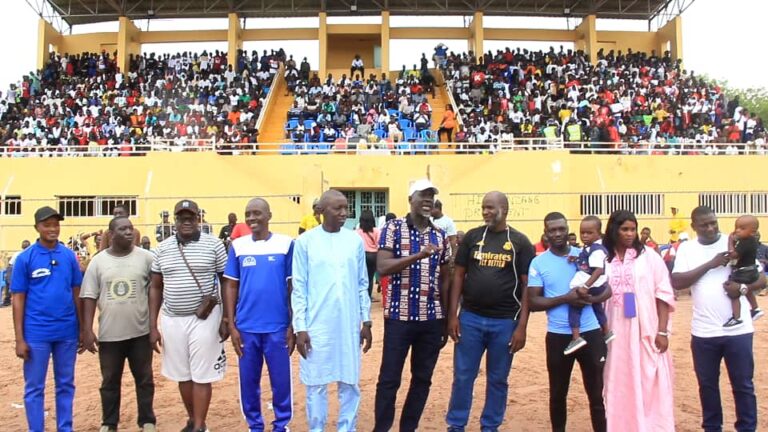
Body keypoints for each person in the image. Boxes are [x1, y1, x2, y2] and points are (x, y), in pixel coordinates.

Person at [445, 191, 535, 431]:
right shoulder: (473, 237)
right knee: (463, 377)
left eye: (490, 207)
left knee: (497, 379)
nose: (485, 212)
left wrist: (522, 327)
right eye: (483, 207)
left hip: (505, 322)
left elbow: (528, 286)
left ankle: (490, 426)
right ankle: (456, 425)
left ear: (504, 209)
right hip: (471, 319)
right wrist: (453, 315)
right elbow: (459, 277)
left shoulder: (520, 242)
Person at [671, 206, 764, 432]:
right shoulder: (687, 249)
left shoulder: (735, 241)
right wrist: (710, 264)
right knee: (707, 386)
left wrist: (742, 289)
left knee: (743, 385)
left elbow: (760, 279)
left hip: (739, 331)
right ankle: (712, 427)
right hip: (704, 333)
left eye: (714, 222)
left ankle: (747, 428)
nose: (711, 227)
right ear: (694, 227)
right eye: (705, 224)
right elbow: (677, 282)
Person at [373, 179, 451, 432]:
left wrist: (447, 319)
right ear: (410, 200)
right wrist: (418, 255)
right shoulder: (393, 228)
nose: (428, 200)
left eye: (431, 196)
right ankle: (382, 427)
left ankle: (409, 427)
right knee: (389, 379)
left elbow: (445, 280)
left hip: (431, 319)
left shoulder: (440, 236)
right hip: (399, 318)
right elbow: (383, 267)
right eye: (423, 195)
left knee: (422, 380)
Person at [291, 190, 372, 432]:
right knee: (316, 383)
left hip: (348, 325)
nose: (344, 213)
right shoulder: (305, 242)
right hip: (317, 325)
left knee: (350, 382)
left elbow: (362, 283)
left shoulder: (354, 241)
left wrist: (366, 321)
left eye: (346, 208)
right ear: (321, 211)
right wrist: (300, 327)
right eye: (337, 208)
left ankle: (347, 428)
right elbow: (299, 287)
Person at [149, 200, 228, 432]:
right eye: (181, 216)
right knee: (182, 374)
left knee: (202, 374)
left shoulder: (214, 245)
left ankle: (200, 425)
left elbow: (226, 281)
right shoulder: (161, 249)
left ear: (198, 219)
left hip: (205, 319)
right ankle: (194, 420)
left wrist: (225, 319)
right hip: (172, 319)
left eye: (190, 216)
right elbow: (155, 287)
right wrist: (153, 325)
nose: (186, 220)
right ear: (174, 220)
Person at [527, 212, 610, 432]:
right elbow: (533, 301)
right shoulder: (538, 262)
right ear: (545, 233)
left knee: (596, 394)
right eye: (552, 230)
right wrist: (566, 298)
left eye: (561, 229)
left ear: (567, 229)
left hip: (591, 333)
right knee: (557, 394)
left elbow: (608, 288)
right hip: (558, 336)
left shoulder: (585, 254)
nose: (557, 234)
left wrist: (590, 299)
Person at [224, 198, 294, 432]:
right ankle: (255, 425)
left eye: (257, 213)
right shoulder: (239, 246)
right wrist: (232, 324)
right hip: (246, 327)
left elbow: (292, 286)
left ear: (269, 216)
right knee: (248, 382)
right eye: (248, 214)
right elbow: (231, 285)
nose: (252, 218)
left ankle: (281, 425)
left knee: (281, 381)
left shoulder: (286, 244)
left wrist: (292, 324)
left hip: (277, 326)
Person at [601, 210, 676, 432]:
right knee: (617, 379)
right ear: (613, 230)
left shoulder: (649, 257)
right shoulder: (603, 257)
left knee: (648, 376)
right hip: (613, 330)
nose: (629, 234)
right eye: (624, 229)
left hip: (645, 328)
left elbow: (663, 294)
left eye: (632, 229)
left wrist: (662, 332)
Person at [80, 216, 157, 432]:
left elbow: (156, 291)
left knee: (144, 379)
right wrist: (87, 330)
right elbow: (89, 296)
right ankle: (109, 422)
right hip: (109, 335)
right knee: (109, 382)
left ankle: (147, 420)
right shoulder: (98, 261)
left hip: (140, 333)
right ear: (111, 235)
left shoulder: (147, 258)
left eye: (131, 228)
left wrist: (153, 326)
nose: (129, 232)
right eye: (123, 229)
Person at [12, 206, 83, 432]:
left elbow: (76, 293)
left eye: (56, 224)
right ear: (37, 228)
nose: (53, 229)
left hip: (66, 332)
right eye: (47, 225)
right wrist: (19, 338)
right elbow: (18, 299)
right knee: (34, 387)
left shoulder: (68, 256)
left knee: (65, 384)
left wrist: (82, 328)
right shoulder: (25, 259)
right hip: (36, 334)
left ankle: (65, 428)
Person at [564, 216, 614, 355]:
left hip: (593, 285)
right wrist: (576, 259)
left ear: (598, 232)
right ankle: (606, 331)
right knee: (597, 308)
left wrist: (585, 286)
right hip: (596, 286)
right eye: (582, 232)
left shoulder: (597, 249)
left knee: (574, 306)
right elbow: (587, 262)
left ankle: (576, 337)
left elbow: (598, 270)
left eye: (589, 233)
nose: (584, 236)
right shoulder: (590, 248)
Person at [724, 215, 763, 327]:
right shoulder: (750, 241)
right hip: (751, 271)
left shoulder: (746, 242)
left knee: (733, 292)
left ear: (752, 232)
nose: (737, 230)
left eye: (742, 228)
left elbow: (733, 255)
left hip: (743, 272)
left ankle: (737, 318)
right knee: (747, 290)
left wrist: (730, 242)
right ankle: (755, 308)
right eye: (736, 227)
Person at [356, 209, 380, 299]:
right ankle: (368, 297)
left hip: (362, 256)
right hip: (373, 256)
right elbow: (379, 245)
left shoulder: (357, 232)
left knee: (361, 278)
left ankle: (360, 297)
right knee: (370, 278)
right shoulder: (376, 231)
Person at [4, 239, 30, 306]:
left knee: (9, 283)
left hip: (18, 272)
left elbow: (10, 264)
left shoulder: (18, 254)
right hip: (20, 272)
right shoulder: (30, 254)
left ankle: (7, 300)